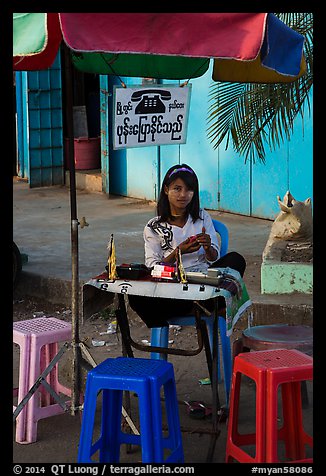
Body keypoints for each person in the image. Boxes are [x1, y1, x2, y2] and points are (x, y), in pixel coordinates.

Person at [128, 163, 246, 328]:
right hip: (172, 288)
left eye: (189, 190)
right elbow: (152, 267)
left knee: (236, 260)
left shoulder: (202, 217)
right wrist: (178, 253)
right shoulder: (153, 227)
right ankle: (194, 309)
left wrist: (208, 247)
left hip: (203, 284)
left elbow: (214, 258)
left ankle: (201, 305)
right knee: (135, 294)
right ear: (166, 189)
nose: (183, 195)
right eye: (177, 189)